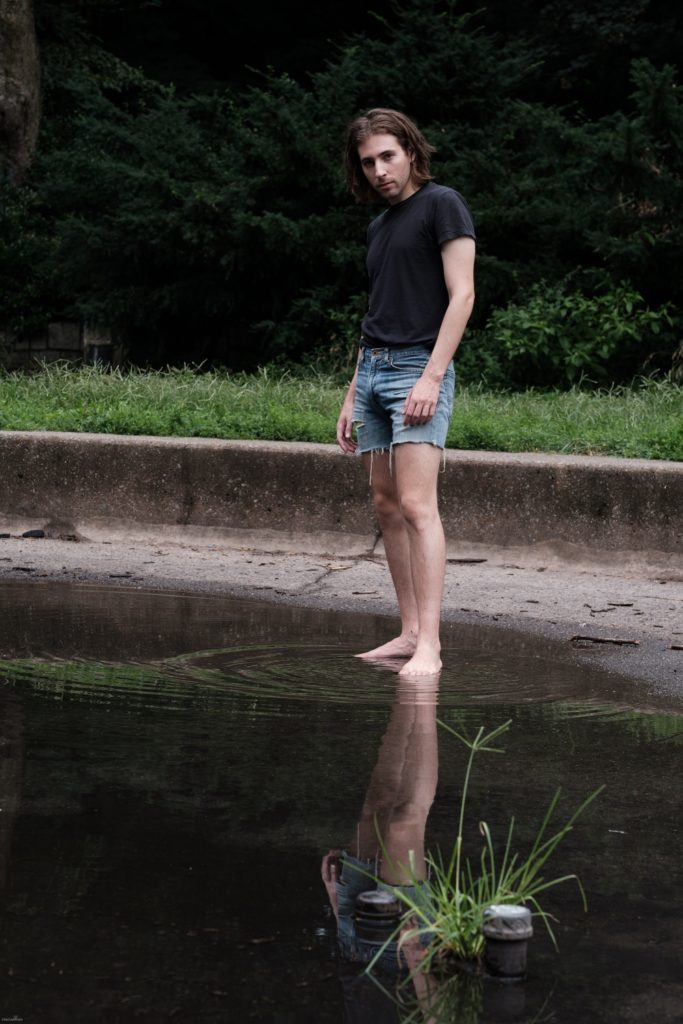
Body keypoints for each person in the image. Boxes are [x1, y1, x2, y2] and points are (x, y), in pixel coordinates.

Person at [336, 108, 476, 677]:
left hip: (418, 369)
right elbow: (377, 313)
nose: (379, 171)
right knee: (386, 504)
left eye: (387, 156)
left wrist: (432, 377)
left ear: (411, 152)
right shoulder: (379, 226)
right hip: (373, 371)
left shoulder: (443, 204)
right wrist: (352, 392)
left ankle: (431, 647)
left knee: (418, 506)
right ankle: (409, 631)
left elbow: (462, 295)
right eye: (368, 162)